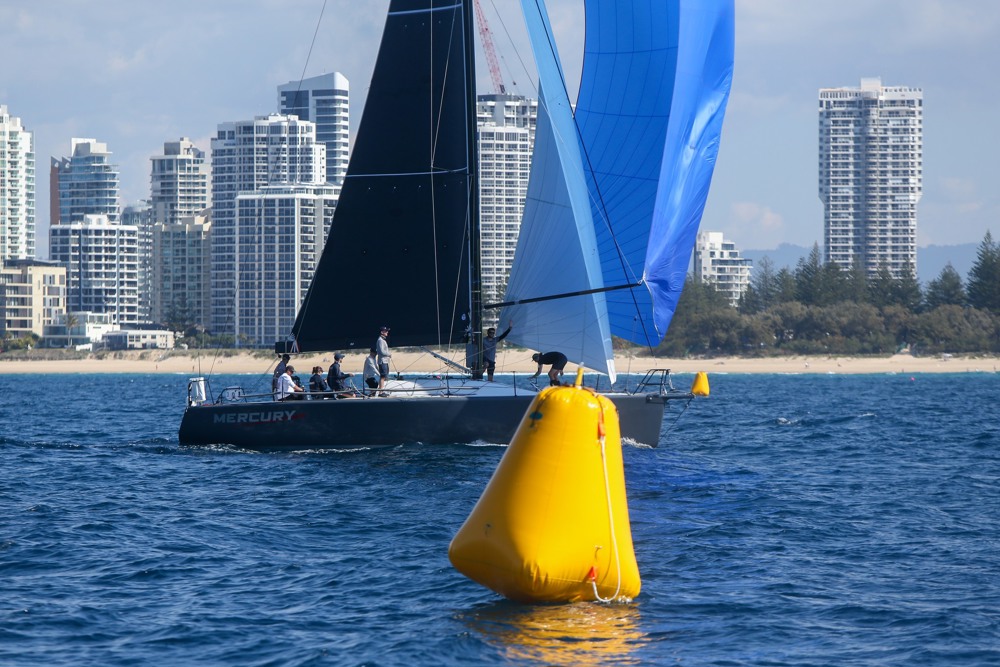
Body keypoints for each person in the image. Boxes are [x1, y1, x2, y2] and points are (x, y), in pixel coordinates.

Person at [375, 326, 391, 393]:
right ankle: (381, 392)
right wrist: (388, 354)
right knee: (383, 376)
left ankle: (380, 391)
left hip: (384, 361)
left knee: (383, 376)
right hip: (382, 361)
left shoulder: (382, 340)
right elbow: (381, 351)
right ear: (382, 332)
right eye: (386, 331)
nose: (387, 332)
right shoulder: (380, 340)